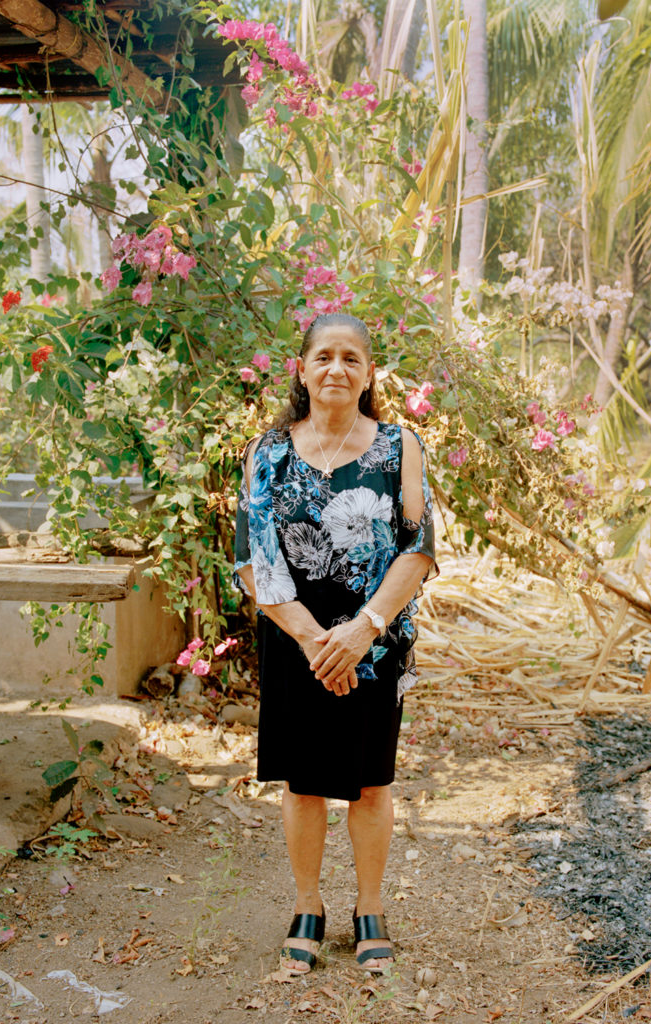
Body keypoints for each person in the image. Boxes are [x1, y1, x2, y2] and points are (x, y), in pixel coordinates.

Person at [233, 312, 436, 975]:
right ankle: (307, 904)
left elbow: (418, 549)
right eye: (323, 356)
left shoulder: (398, 447)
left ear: (368, 373)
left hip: (375, 638)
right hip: (296, 639)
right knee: (304, 783)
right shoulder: (267, 453)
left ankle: (370, 906)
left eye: (351, 358)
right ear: (302, 368)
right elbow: (250, 561)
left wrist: (362, 631)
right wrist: (319, 642)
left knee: (371, 783)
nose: (336, 369)